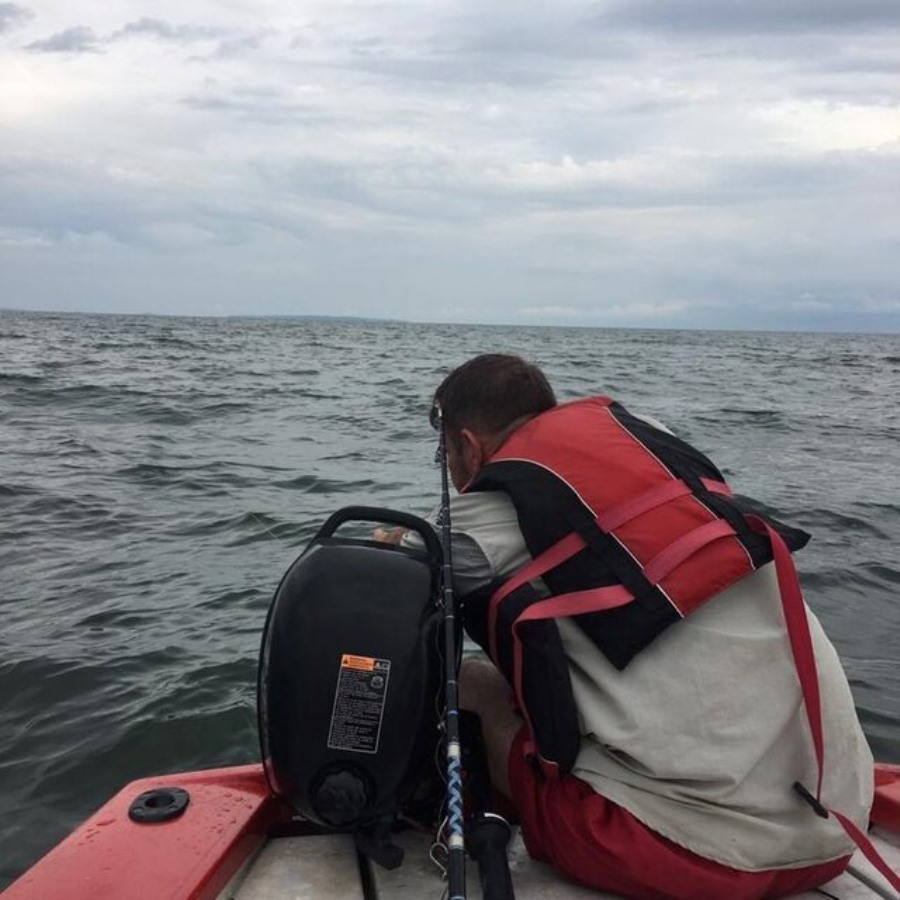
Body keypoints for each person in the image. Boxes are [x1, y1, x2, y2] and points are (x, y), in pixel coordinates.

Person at [386, 353, 874, 900]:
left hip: (699, 855)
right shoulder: (655, 447)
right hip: (840, 821)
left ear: (470, 447)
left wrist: (390, 540)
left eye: (447, 455)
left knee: (472, 684)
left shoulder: (494, 507)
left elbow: (393, 577)